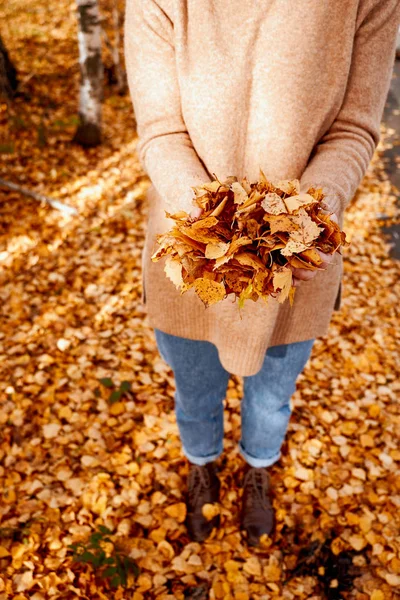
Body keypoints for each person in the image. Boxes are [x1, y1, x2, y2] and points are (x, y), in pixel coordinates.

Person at [124, 0, 400, 545]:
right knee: (195, 390)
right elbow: (160, 131)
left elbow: (355, 128)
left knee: (271, 396)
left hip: (298, 267)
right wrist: (219, 233)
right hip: (192, 258)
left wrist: (308, 221)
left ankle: (258, 468)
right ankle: (202, 463)